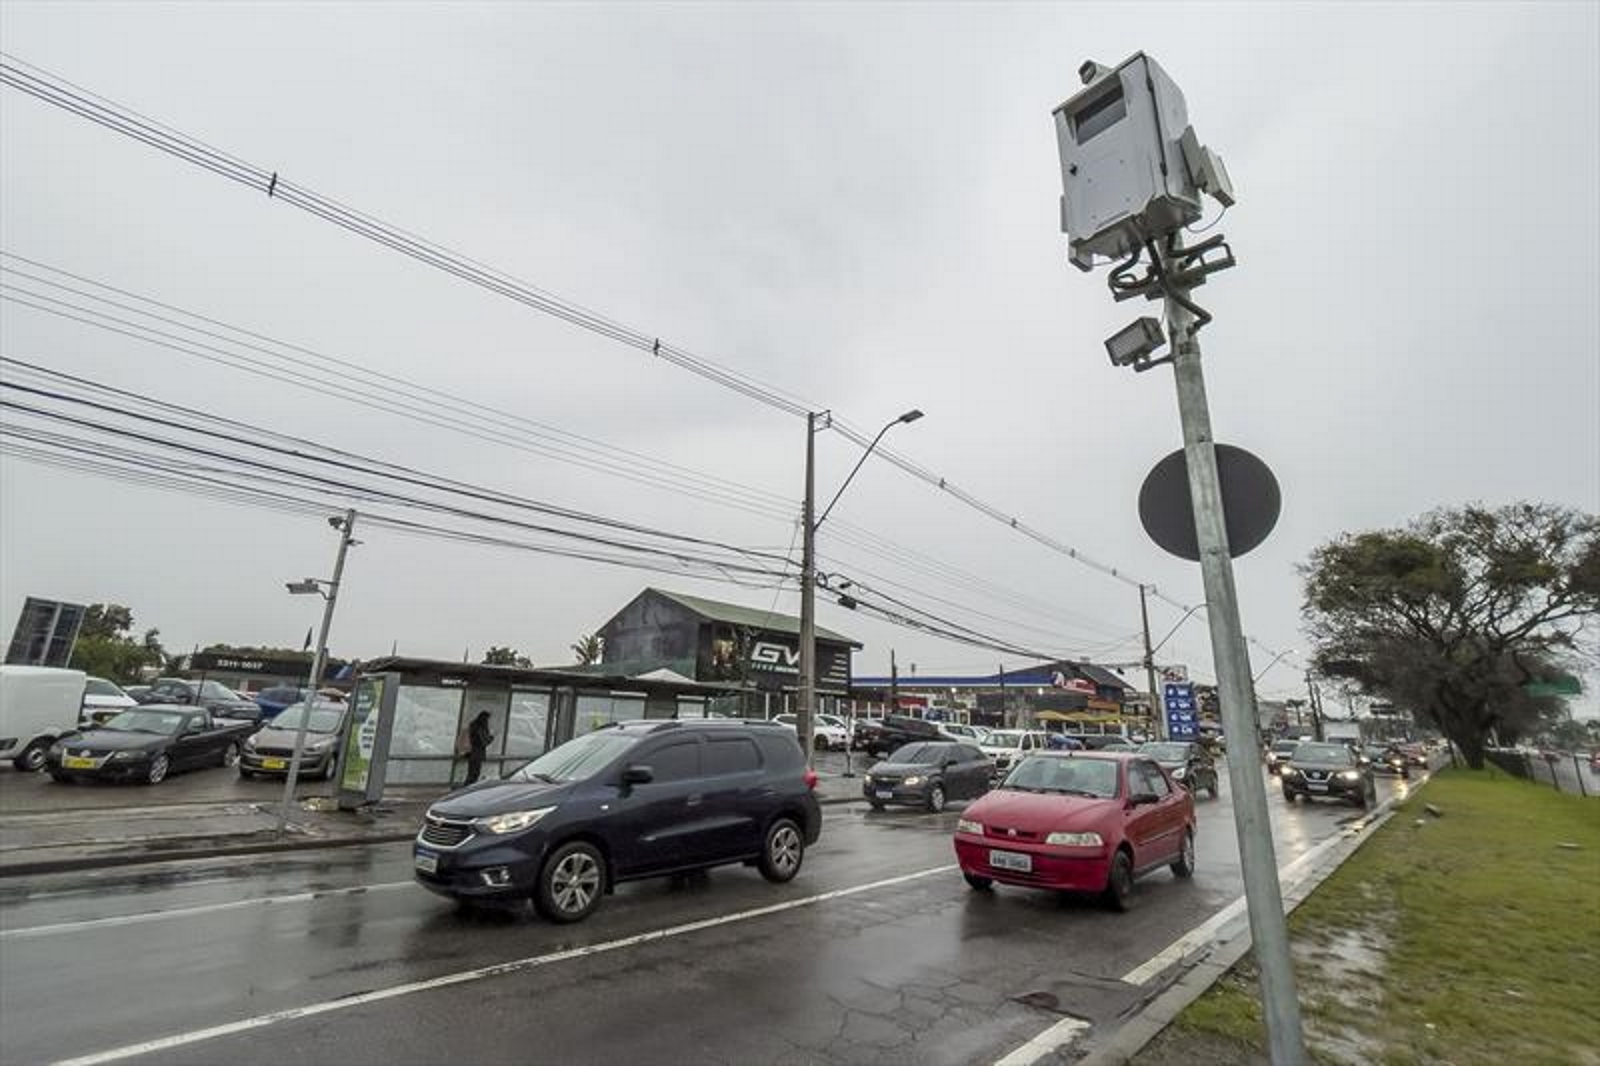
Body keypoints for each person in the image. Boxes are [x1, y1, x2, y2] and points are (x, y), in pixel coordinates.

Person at [461, 710, 495, 785]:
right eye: (487, 719)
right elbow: (484, 741)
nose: (488, 721)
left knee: (471, 773)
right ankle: (467, 790)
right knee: (474, 774)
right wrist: (491, 738)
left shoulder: (473, 725)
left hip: (472, 753)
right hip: (477, 754)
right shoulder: (480, 728)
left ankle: (466, 789)